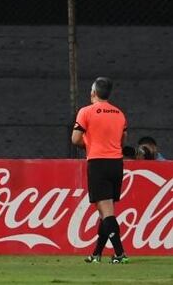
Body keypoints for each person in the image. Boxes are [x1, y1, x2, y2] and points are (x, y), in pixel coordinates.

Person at [72, 77, 129, 264]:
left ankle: (120, 253)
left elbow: (75, 139)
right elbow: (123, 141)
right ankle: (96, 254)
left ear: (93, 92)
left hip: (98, 163)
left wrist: (88, 145)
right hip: (116, 164)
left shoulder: (86, 112)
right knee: (104, 212)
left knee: (107, 213)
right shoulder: (120, 114)